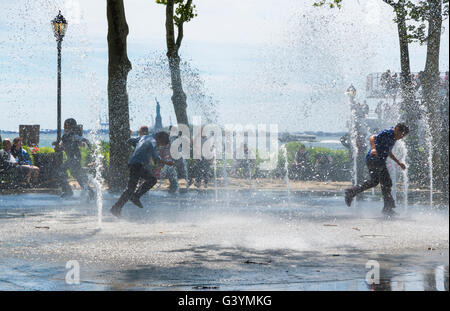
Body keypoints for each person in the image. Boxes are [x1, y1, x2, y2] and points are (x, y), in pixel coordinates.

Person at [344, 123, 409, 216]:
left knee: (375, 182)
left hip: (377, 160)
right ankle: (387, 208)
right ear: (397, 129)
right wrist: (373, 148)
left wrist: (398, 162)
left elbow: (388, 151)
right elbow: (372, 137)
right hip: (374, 159)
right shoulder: (388, 133)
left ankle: (352, 192)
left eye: (403, 136)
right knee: (386, 183)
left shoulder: (393, 137)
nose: (401, 138)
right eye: (401, 135)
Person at [110, 131, 175, 217]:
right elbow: (155, 157)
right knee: (152, 180)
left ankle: (116, 208)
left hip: (132, 163)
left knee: (130, 189)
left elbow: (130, 140)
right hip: (138, 165)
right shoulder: (153, 142)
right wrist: (167, 162)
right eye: (161, 144)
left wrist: (138, 148)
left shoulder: (143, 137)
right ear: (160, 138)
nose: (159, 146)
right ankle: (135, 196)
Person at [53, 118, 94, 199]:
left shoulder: (73, 135)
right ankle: (90, 192)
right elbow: (64, 147)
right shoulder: (65, 135)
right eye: (64, 124)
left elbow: (85, 140)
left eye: (66, 124)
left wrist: (92, 149)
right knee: (77, 176)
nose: (64, 126)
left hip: (74, 159)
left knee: (60, 171)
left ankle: (68, 191)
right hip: (73, 158)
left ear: (71, 126)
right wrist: (58, 147)